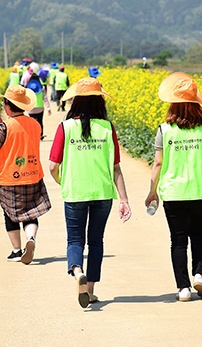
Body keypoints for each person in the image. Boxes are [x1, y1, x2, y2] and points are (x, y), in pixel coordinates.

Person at [49, 77, 131, 308]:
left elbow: (53, 166)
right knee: (96, 241)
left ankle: (77, 272)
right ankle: (91, 289)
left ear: (75, 102)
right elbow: (116, 167)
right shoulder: (108, 128)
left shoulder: (65, 127)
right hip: (102, 193)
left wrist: (64, 182)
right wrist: (124, 199)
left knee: (75, 238)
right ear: (99, 103)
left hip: (75, 192)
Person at [144, 72, 202, 302]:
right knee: (199, 235)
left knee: (178, 241)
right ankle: (199, 274)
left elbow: (158, 163)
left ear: (173, 103)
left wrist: (152, 191)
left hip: (174, 193)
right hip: (201, 190)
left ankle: (183, 289)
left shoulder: (165, 129)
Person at [0, 85, 51, 265]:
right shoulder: (35, 123)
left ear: (7, 105)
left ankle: (17, 251)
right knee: (30, 211)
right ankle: (31, 239)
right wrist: (1, 123)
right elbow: (20, 133)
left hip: (9, 178)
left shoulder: (4, 127)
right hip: (32, 174)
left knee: (10, 213)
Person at [26, 73, 52, 140]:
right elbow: (45, 98)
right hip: (40, 108)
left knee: (32, 123)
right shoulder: (42, 87)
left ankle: (32, 135)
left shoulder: (28, 88)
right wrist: (48, 108)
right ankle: (40, 135)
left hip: (31, 108)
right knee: (40, 122)